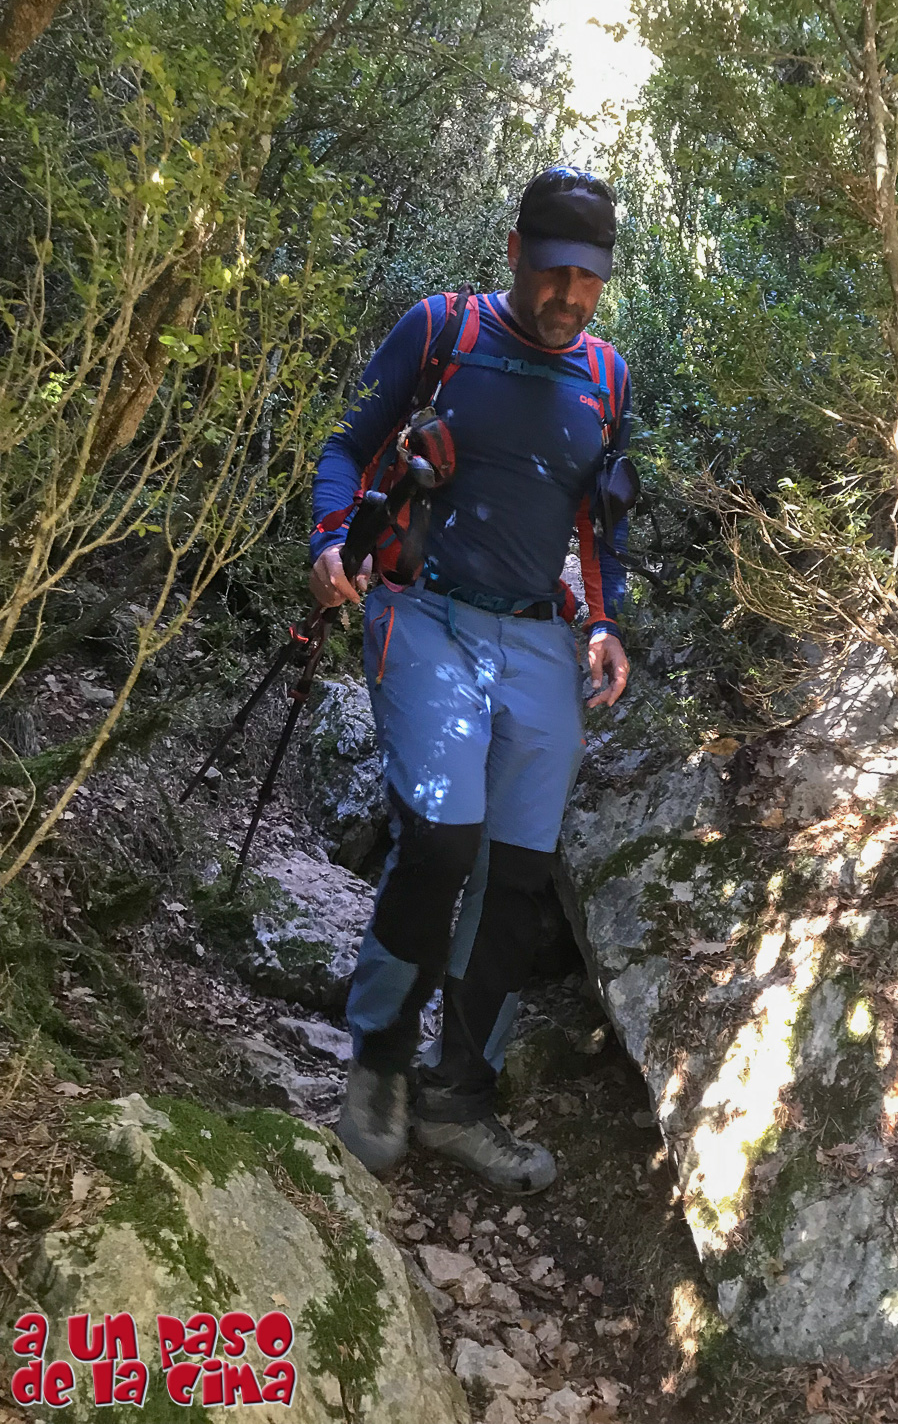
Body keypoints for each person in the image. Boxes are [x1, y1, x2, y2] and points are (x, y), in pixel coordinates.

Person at [308, 166, 632, 1193]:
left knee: (519, 871)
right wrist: (330, 539)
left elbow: (600, 519)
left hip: (537, 637)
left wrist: (602, 622)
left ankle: (459, 1097)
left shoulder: (607, 377)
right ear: (515, 253)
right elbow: (346, 445)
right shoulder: (441, 329)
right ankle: (378, 1065)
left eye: (588, 279)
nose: (569, 296)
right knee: (442, 837)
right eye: (553, 272)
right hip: (423, 611)